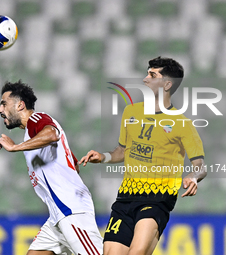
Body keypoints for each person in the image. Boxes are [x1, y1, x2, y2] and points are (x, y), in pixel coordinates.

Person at [79, 56, 207, 255]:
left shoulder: (182, 124)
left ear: (167, 84)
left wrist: (193, 177)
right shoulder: (131, 112)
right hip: (125, 198)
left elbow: (200, 165)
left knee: (136, 252)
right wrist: (103, 156)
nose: (145, 78)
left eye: (152, 74)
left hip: (157, 199)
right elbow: (121, 151)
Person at [0, 81, 103, 255]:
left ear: (20, 105)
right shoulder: (31, 134)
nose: (0, 110)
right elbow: (74, 165)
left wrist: (15, 147)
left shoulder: (36, 119)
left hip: (70, 210)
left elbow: (52, 134)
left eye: (4, 104)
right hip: (57, 215)